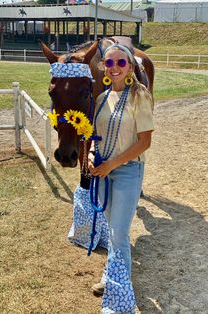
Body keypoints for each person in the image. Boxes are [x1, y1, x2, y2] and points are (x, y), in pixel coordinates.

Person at [88, 44, 154, 313]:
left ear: (129, 67)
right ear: (103, 66)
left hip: (127, 172)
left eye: (121, 63)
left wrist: (113, 163)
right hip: (103, 172)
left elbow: (145, 141)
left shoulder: (140, 96)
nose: (114, 67)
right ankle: (112, 274)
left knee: (119, 232)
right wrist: (93, 156)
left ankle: (119, 290)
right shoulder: (102, 98)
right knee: (112, 229)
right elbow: (94, 136)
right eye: (109, 62)